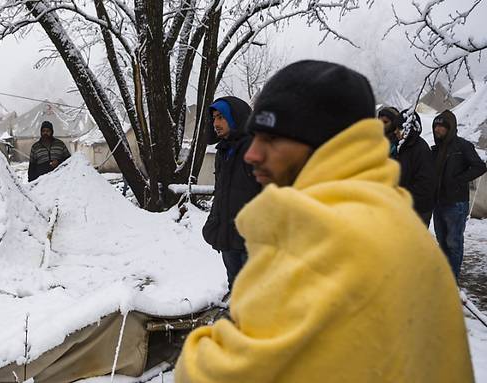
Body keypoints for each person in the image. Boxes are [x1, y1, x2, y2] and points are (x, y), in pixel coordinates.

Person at [175, 61, 473, 383]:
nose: (253, 154)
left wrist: (207, 345)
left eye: (271, 139)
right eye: (254, 137)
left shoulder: (321, 240)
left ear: (320, 143)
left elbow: (209, 376)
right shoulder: (393, 218)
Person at [201, 97, 261, 291]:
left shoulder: (255, 149)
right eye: (214, 119)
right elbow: (221, 193)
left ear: (235, 117)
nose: (216, 123)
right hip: (229, 239)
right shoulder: (223, 151)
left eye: (221, 117)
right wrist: (214, 223)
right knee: (236, 290)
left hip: (252, 241)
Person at [432, 109, 486, 280]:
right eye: (435, 126)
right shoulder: (436, 149)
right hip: (439, 202)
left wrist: (458, 180)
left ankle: (452, 279)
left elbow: (480, 166)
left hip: (456, 203)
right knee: (442, 241)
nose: (437, 129)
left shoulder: (462, 146)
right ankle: (444, 276)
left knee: (453, 243)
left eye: (441, 126)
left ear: (450, 128)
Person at [392, 109, 436, 226]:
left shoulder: (420, 150)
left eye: (399, 128)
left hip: (418, 210)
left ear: (408, 129)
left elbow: (425, 184)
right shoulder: (402, 147)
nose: (396, 132)